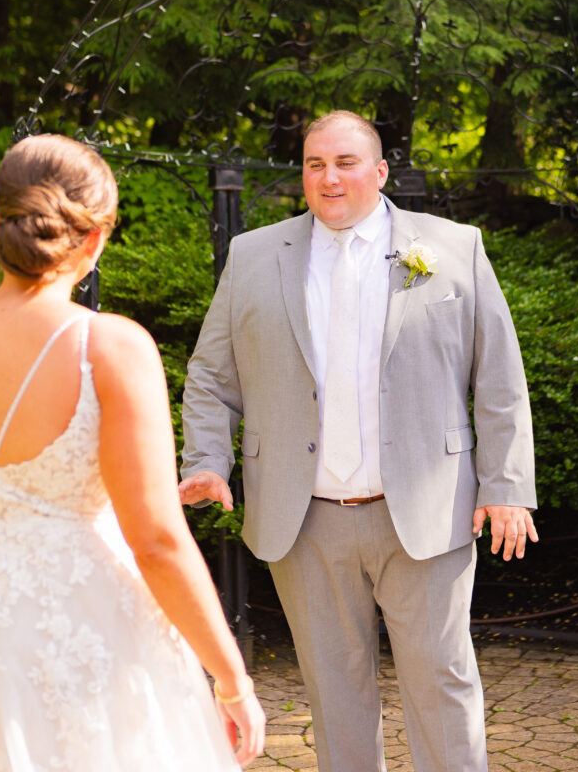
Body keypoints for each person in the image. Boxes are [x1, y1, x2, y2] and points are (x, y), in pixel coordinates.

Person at [179, 110, 538, 772]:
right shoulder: (254, 254)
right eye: (314, 164)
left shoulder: (453, 247)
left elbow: (498, 378)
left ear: (378, 172)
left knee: (442, 685)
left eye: (345, 163)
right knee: (333, 696)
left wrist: (507, 486)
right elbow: (210, 376)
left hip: (427, 514)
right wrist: (207, 460)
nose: (328, 177)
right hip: (305, 520)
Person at [0, 134, 265, 771]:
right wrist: (233, 681)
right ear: (94, 241)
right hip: (77, 636)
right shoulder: (110, 348)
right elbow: (157, 541)